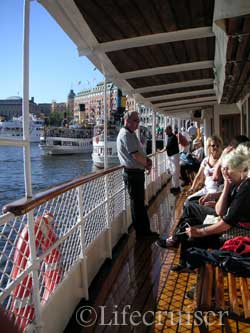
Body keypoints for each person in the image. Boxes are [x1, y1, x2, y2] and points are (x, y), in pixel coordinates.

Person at [171, 145, 250, 272]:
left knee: (194, 236)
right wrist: (227, 185)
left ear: (239, 169)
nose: (224, 173)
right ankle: (188, 264)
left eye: (228, 169)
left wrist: (199, 232)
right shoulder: (238, 184)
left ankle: (196, 271)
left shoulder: (246, 189)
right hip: (234, 225)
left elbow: (226, 224)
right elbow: (222, 212)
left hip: (243, 233)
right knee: (191, 223)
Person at [116, 111, 158, 239]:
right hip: (132, 174)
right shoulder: (125, 135)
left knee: (139, 204)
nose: (138, 123)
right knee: (137, 205)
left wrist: (146, 162)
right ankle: (142, 233)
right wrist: (147, 163)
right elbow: (135, 155)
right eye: (135, 120)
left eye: (138, 121)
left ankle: (145, 232)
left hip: (136, 173)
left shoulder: (130, 133)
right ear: (127, 120)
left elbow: (137, 154)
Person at [185, 135, 223, 203]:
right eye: (213, 145)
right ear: (209, 147)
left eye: (218, 145)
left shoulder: (223, 160)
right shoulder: (206, 160)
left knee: (198, 203)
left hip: (216, 192)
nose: (216, 147)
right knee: (188, 200)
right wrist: (192, 189)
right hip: (206, 189)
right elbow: (199, 176)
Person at [162, 125, 180, 195]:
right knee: (174, 172)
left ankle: (176, 188)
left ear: (169, 130)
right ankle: (175, 187)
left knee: (175, 172)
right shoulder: (171, 137)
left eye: (166, 130)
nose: (165, 131)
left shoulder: (172, 137)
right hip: (172, 156)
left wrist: (161, 151)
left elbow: (168, 146)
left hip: (174, 156)